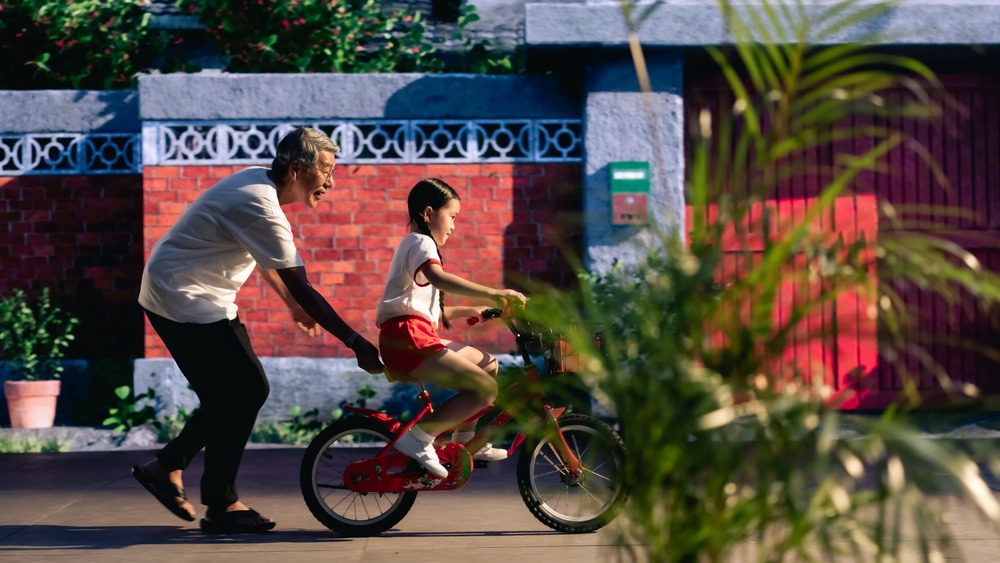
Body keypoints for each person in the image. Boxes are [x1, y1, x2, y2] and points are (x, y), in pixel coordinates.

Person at [132, 126, 383, 533]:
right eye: (326, 171)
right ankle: (215, 499)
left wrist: (289, 306)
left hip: (190, 293)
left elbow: (264, 258)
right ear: (298, 168)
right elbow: (302, 284)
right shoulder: (261, 204)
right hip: (181, 296)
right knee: (245, 390)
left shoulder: (257, 181)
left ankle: (174, 471)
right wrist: (356, 343)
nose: (331, 182)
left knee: (232, 395)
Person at [376, 178, 526, 478]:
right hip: (407, 337)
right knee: (486, 389)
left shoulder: (415, 245)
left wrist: (472, 311)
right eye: (452, 217)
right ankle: (418, 438)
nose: (454, 226)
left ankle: (466, 441)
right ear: (429, 213)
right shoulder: (421, 242)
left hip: (413, 333)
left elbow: (426, 307)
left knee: (489, 364)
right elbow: (438, 278)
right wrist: (496, 293)